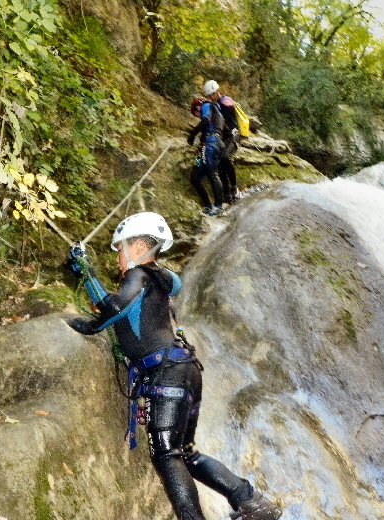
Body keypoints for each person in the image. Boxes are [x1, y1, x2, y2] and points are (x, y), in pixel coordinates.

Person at [66, 212, 282, 520]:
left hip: (166, 374)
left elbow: (114, 309)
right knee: (186, 452)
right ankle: (252, 501)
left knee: (167, 455)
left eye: (121, 248)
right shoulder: (160, 279)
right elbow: (123, 306)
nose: (117, 257)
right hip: (185, 371)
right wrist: (87, 273)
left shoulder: (138, 276)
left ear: (139, 247)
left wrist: (88, 325)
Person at [187, 97, 226, 216]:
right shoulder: (218, 113)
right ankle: (209, 206)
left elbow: (205, 120)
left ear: (198, 107)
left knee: (213, 174)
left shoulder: (206, 106)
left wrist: (193, 134)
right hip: (212, 144)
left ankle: (219, 207)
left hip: (212, 144)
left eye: (196, 113)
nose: (198, 116)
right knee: (195, 177)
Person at [203, 80, 239, 204]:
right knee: (219, 162)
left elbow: (226, 119)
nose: (210, 98)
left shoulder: (226, 101)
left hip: (233, 134)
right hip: (224, 136)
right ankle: (227, 194)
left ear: (216, 92)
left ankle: (234, 187)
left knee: (225, 157)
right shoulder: (216, 105)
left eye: (211, 95)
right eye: (209, 96)